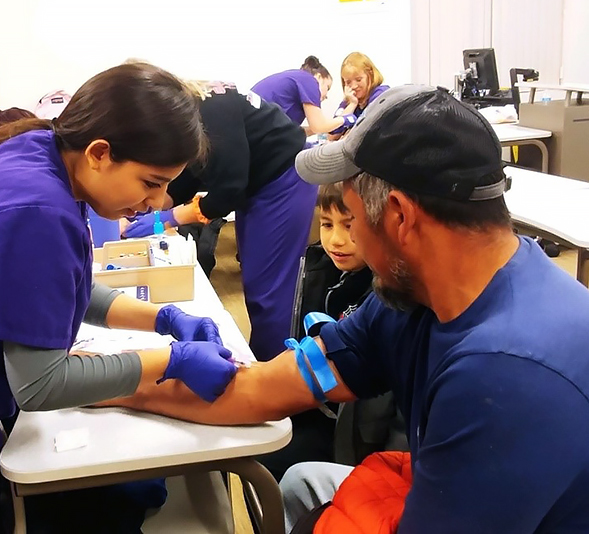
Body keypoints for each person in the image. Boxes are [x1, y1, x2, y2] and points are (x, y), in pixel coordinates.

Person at [99, 85, 589, 533]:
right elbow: (262, 389)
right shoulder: (414, 297)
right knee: (302, 482)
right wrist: (100, 382)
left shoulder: (509, 372)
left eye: (351, 219)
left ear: (398, 216)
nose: (344, 239)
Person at [0, 62, 237, 532]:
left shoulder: (39, 150)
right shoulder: (40, 210)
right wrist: (170, 361)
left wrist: (164, 319)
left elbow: (62, 285)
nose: (161, 202)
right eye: (152, 183)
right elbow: (40, 384)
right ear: (100, 153)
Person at [123, 81, 317, 363]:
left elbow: (229, 189)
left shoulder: (210, 109)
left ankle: (275, 377)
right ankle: (266, 366)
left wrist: (168, 218)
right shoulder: (191, 113)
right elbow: (187, 177)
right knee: (256, 282)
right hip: (258, 185)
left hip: (283, 180)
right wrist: (148, 209)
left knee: (271, 293)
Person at [258, 182, 375, 481]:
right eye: (326, 224)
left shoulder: (382, 292)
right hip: (315, 407)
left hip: (353, 432)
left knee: (271, 463)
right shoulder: (320, 267)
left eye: (349, 226)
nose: (336, 240)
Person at [251, 56, 357, 134]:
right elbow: (318, 126)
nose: (326, 96)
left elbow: (293, 134)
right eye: (327, 88)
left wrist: (328, 126)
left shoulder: (295, 82)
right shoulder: (309, 80)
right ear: (319, 77)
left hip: (251, 129)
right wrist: (346, 119)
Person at [331, 51, 390, 138]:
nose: (354, 86)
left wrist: (348, 134)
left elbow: (368, 127)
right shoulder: (349, 101)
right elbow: (332, 135)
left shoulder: (380, 93)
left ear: (370, 75)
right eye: (348, 82)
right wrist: (352, 104)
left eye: (358, 80)